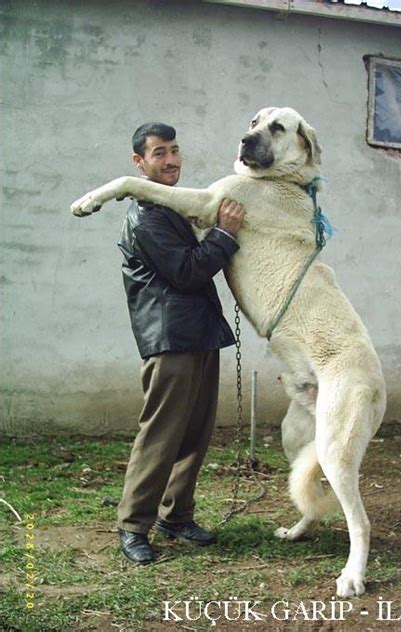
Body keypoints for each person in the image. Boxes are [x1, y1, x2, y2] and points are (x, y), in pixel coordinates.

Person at [116, 122, 245, 564]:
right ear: (139, 163)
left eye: (174, 150)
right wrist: (224, 236)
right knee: (161, 436)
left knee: (195, 433)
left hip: (199, 334)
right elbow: (188, 271)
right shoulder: (147, 216)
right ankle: (134, 525)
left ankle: (176, 515)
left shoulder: (169, 209)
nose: (170, 161)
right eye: (159, 154)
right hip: (170, 341)